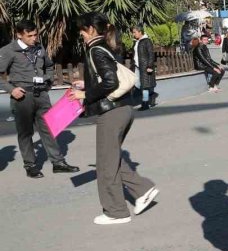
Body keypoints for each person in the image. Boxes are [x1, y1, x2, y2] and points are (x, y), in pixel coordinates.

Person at [67, 13, 159, 225]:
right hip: (123, 108)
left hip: (112, 113)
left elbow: (109, 81)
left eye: (82, 30)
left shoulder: (95, 49)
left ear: (90, 29)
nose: (80, 34)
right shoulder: (106, 46)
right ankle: (143, 189)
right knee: (112, 158)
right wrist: (87, 84)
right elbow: (107, 77)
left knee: (105, 164)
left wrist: (85, 95)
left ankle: (116, 211)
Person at [0, 19, 79, 178]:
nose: (34, 38)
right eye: (29, 36)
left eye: (35, 35)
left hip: (41, 95)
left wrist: (48, 80)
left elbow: (49, 66)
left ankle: (58, 163)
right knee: (25, 132)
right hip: (22, 97)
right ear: (19, 35)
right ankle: (30, 165)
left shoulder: (39, 47)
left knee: (49, 128)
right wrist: (11, 89)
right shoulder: (9, 50)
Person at [131, 25, 157, 111]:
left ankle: (145, 104)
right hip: (138, 67)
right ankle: (151, 96)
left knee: (144, 86)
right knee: (138, 84)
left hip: (145, 67)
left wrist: (149, 66)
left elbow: (151, 54)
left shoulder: (147, 41)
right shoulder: (136, 42)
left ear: (140, 32)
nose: (133, 34)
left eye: (134, 32)